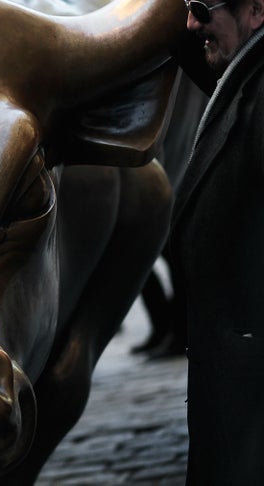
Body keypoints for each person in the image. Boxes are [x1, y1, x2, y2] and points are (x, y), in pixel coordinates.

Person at [171, 0, 264, 482]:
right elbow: (186, 44)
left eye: (202, 8)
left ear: (257, 11)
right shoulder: (242, 74)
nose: (192, 22)